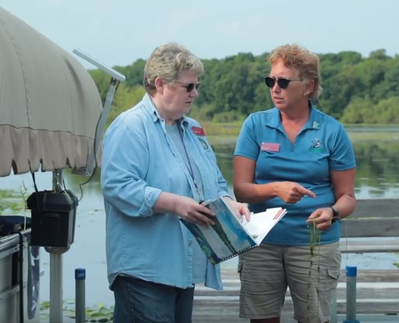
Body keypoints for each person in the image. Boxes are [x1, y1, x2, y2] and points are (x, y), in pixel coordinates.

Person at [101, 42, 249, 323]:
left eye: (196, 86)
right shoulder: (130, 126)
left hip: (181, 269)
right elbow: (117, 185)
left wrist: (231, 204)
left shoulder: (192, 129)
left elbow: (214, 182)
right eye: (188, 86)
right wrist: (175, 204)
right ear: (160, 84)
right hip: (144, 270)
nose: (195, 93)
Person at [233, 44, 356, 323]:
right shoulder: (255, 125)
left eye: (284, 82)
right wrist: (275, 189)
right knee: (262, 319)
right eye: (271, 80)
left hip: (314, 244)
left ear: (309, 86)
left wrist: (332, 212)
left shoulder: (332, 131)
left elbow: (347, 196)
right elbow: (241, 189)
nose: (275, 88)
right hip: (261, 242)